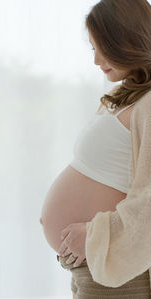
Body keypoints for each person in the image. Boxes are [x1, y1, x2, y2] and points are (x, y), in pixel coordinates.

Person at [55, 0, 151, 298]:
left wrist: (95, 233)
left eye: (102, 47)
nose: (96, 60)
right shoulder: (126, 97)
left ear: (126, 40)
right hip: (95, 265)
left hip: (117, 272)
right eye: (92, 49)